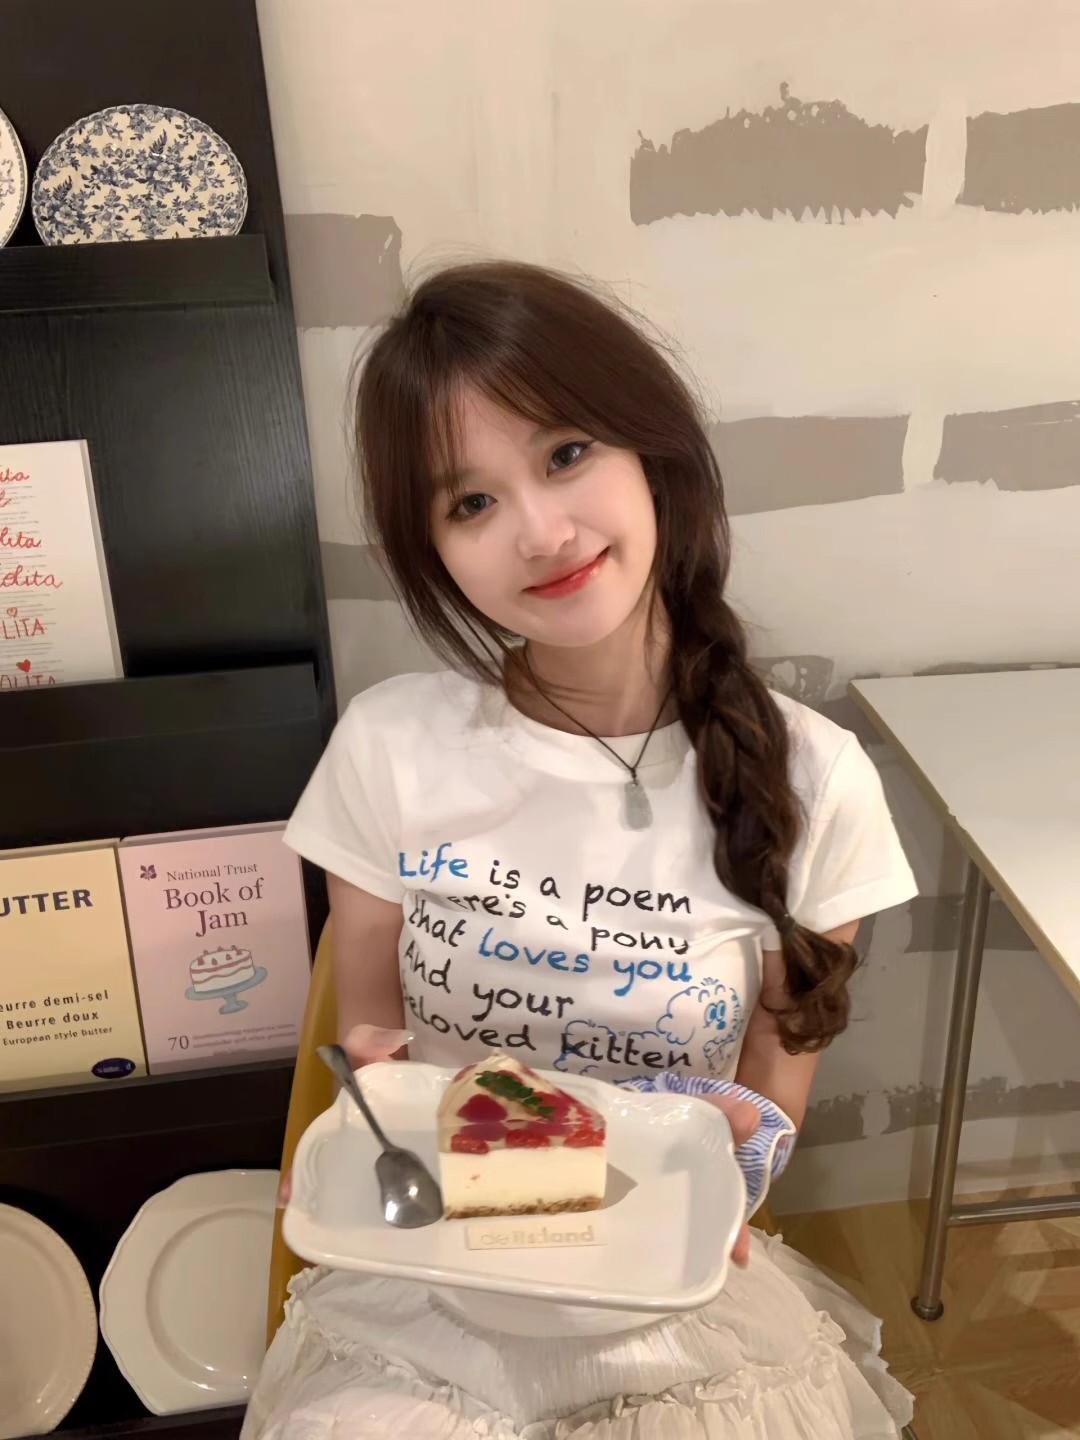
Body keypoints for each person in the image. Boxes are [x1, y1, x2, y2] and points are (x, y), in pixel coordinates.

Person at [245, 261, 919, 1440]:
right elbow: (370, 1048)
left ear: (651, 450)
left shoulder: (818, 781)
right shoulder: (390, 747)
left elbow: (770, 1098)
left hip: (664, 1297)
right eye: (471, 502)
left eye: (565, 453)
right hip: (436, 1284)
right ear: (432, 549)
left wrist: (730, 1182)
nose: (542, 532)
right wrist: (355, 1133)